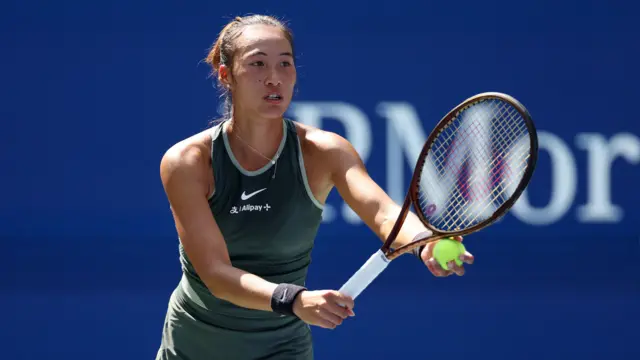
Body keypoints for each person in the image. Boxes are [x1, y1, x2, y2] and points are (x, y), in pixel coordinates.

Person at [155, 14, 474, 360]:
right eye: (258, 64)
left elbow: (383, 213)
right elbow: (215, 273)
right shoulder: (188, 161)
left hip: (282, 348)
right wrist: (294, 299)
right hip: (194, 345)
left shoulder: (326, 152)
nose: (274, 78)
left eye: (285, 64)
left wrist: (422, 242)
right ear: (226, 75)